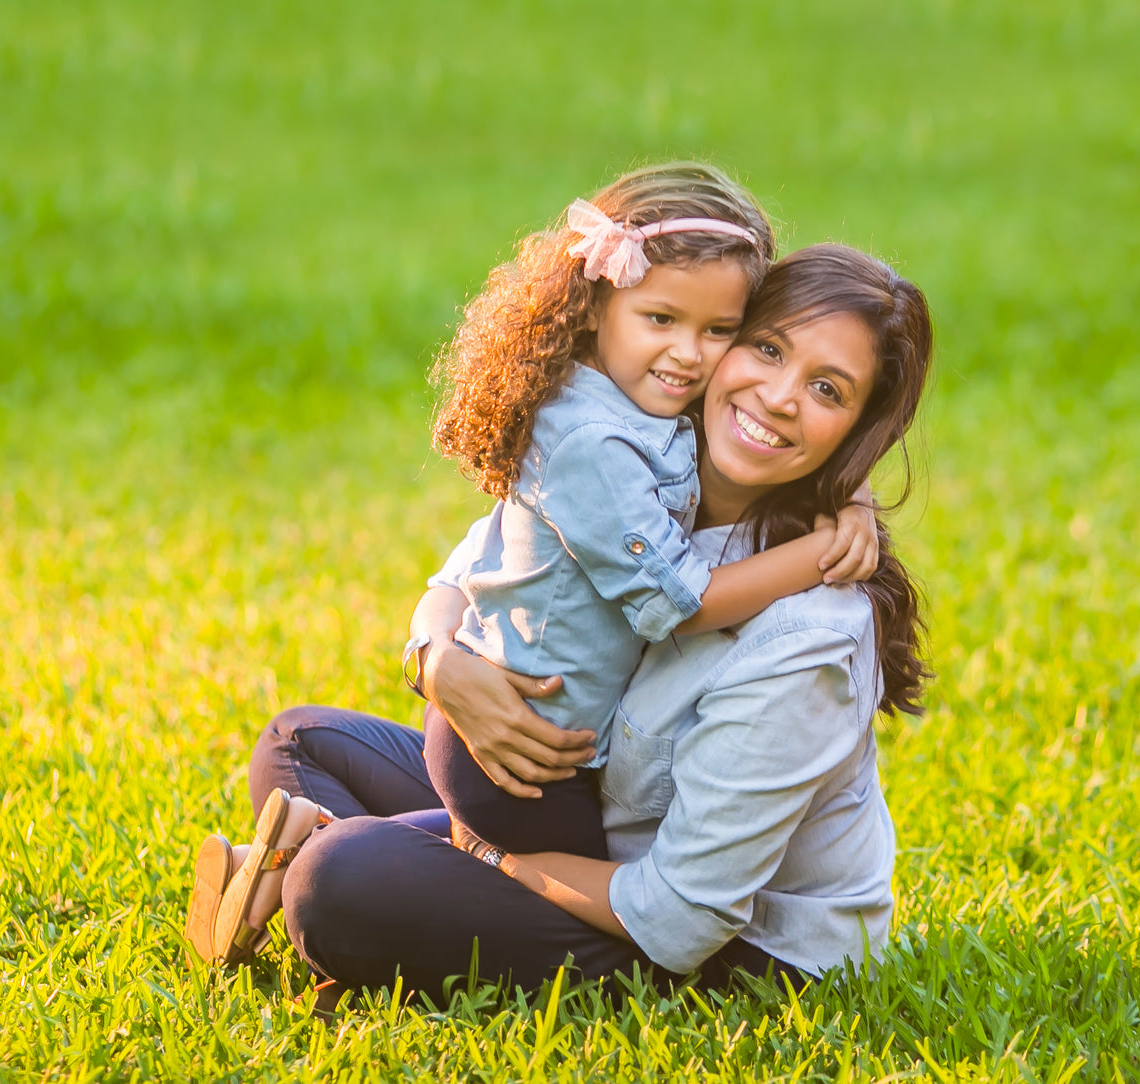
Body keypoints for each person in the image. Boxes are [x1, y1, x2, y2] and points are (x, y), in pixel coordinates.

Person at [185, 242, 933, 999]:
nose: (777, 396)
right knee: (302, 742)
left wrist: (490, 856)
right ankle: (374, 877)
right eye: (765, 348)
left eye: (827, 390)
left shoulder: (810, 636)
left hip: (721, 948)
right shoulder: (643, 463)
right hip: (578, 808)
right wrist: (438, 662)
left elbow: (681, 917)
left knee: (335, 881)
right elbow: (469, 569)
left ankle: (326, 874)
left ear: (859, 431)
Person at [422, 163, 879, 863]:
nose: (687, 354)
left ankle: (314, 835)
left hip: (552, 743)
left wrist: (850, 494)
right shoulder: (594, 441)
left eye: (720, 329)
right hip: (530, 750)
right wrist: (815, 554)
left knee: (310, 761)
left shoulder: (645, 399)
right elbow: (682, 606)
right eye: (660, 319)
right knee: (535, 904)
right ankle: (422, 857)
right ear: (595, 306)